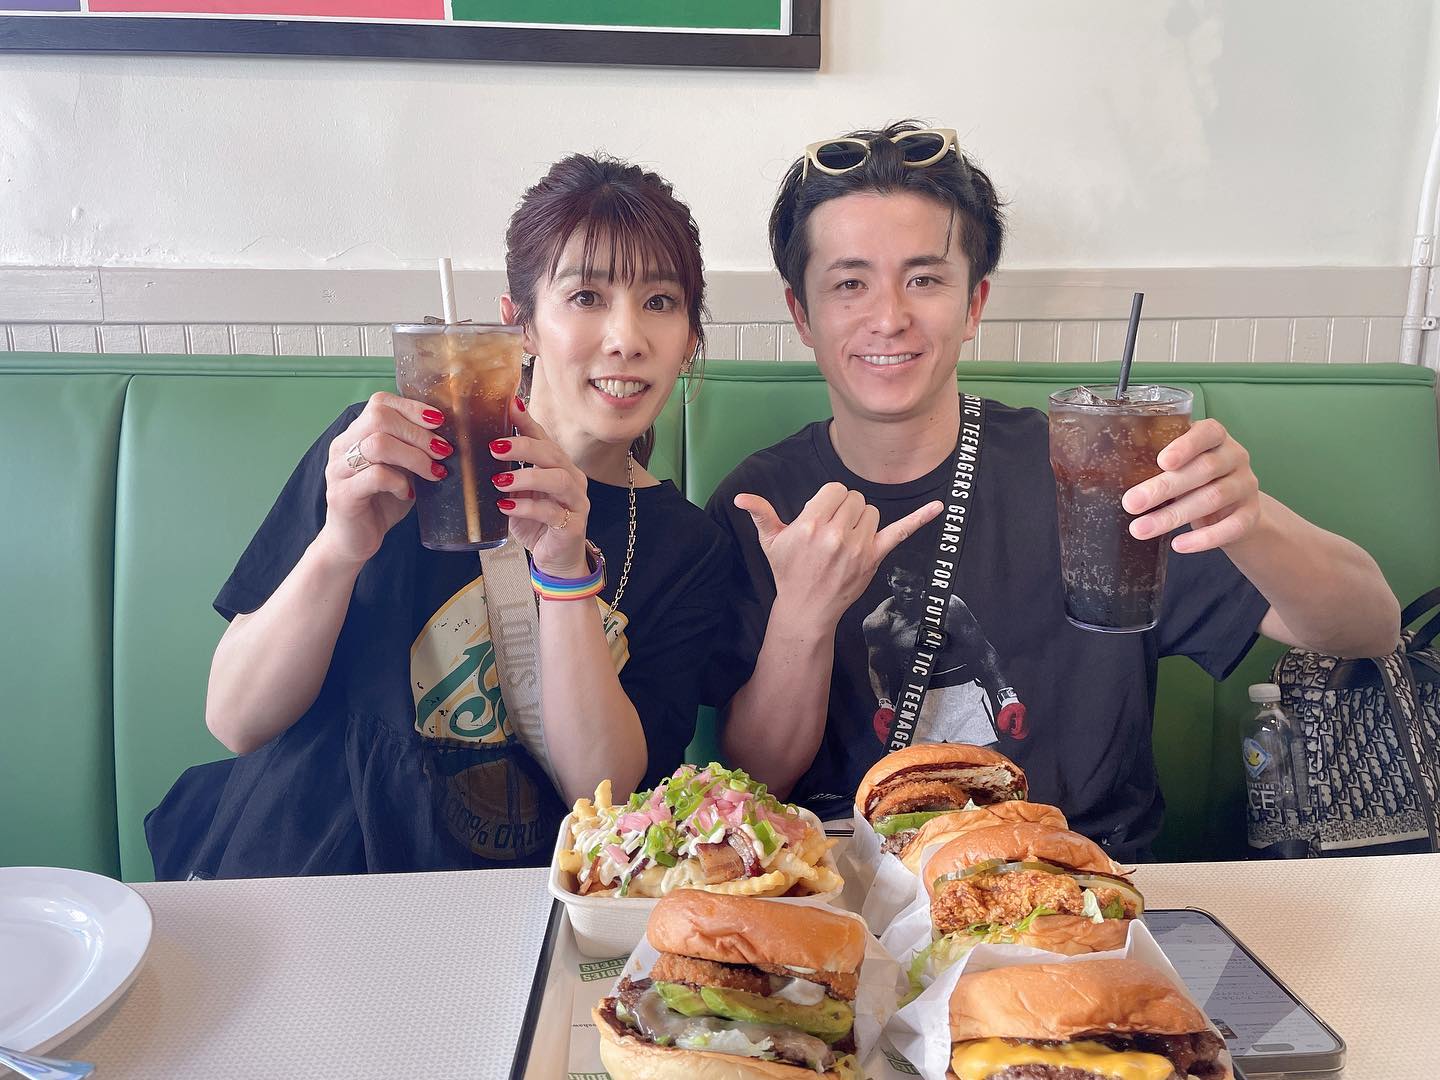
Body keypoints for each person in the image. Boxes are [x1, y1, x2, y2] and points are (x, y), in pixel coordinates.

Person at [703, 122, 1400, 860]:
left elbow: (1370, 626)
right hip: (847, 883)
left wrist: (1250, 520)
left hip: (1085, 876)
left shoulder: (1097, 466)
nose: (889, 317)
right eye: (850, 284)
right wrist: (803, 618)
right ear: (802, 315)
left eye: (925, 279)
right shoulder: (764, 501)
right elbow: (759, 779)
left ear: (973, 305)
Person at [147, 154, 729, 878]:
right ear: (520, 324)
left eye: (661, 301)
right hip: (300, 867)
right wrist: (341, 546)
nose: (626, 337)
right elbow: (236, 720)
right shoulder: (381, 455)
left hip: (507, 905)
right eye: (586, 295)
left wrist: (564, 572)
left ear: (690, 338)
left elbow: (601, 794)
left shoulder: (687, 548)